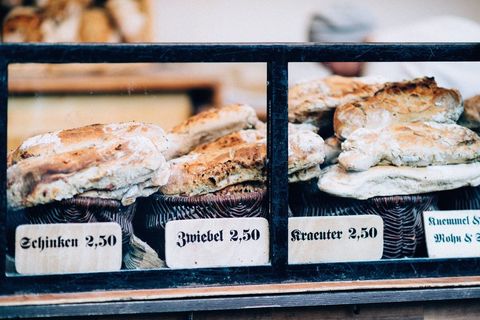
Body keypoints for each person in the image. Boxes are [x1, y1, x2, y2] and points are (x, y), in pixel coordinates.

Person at [308, 4, 480, 99]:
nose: (329, 70)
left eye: (326, 60)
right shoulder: (445, 23)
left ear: (346, 48)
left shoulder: (387, 74)